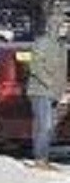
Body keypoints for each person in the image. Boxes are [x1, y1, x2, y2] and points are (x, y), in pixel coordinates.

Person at [26, 12, 67, 170]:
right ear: (54, 26)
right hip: (40, 91)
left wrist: (62, 88)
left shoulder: (62, 46)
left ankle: (44, 159)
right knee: (45, 125)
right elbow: (35, 66)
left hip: (54, 92)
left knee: (50, 127)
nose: (65, 29)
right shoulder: (42, 42)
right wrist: (49, 83)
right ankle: (40, 159)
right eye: (63, 25)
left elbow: (61, 70)